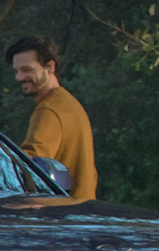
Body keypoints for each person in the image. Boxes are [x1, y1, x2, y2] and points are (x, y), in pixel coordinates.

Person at [6, 35, 97, 200]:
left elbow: (29, 167)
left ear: (49, 68)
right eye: (16, 71)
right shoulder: (67, 104)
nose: (19, 77)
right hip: (80, 213)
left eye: (27, 70)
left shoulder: (49, 110)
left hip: (60, 216)